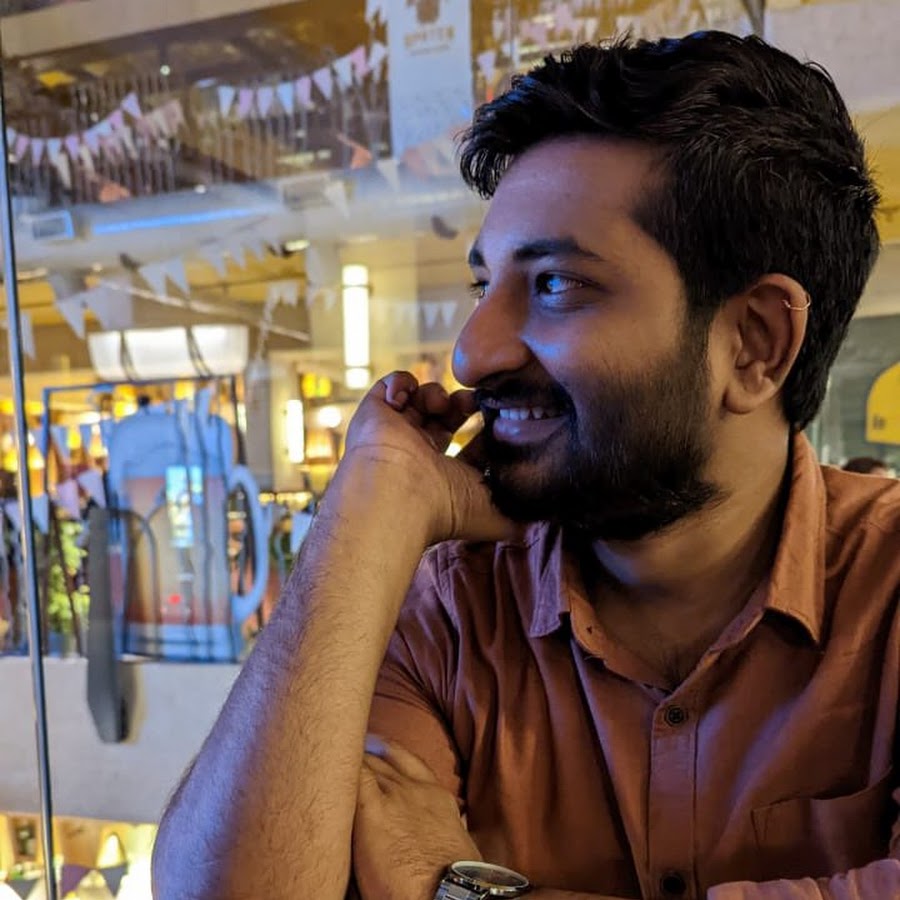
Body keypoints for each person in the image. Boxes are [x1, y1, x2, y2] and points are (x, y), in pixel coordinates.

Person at [151, 32, 900, 900]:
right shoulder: (448, 609)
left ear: (755, 343)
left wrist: (454, 890)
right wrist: (369, 506)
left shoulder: (884, 586)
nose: (473, 353)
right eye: (486, 286)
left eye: (556, 284)